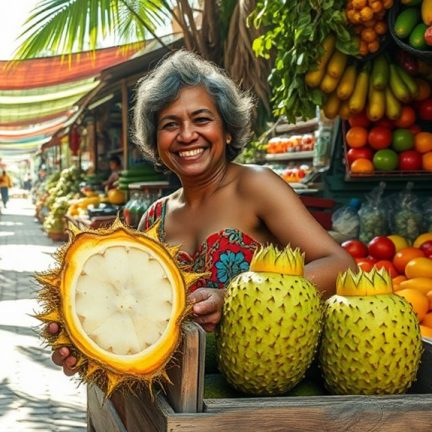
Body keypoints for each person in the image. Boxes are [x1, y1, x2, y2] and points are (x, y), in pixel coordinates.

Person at [49, 50, 355, 376]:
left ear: (227, 130)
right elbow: (131, 313)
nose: (186, 135)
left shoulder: (256, 187)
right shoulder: (154, 218)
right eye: (170, 124)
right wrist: (83, 339)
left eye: (201, 119)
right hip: (177, 388)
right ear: (156, 141)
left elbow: (340, 264)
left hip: (266, 386)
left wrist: (234, 298)